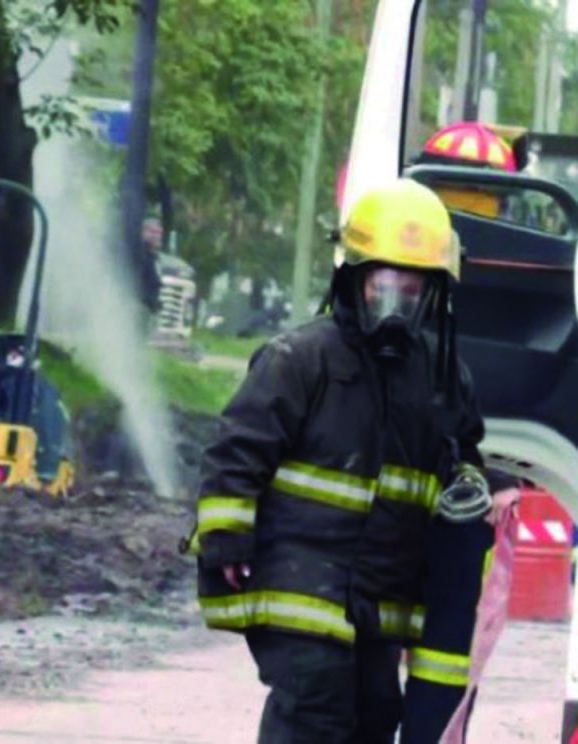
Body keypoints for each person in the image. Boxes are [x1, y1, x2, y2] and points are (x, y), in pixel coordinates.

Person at [191, 179, 492, 742]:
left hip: (378, 594)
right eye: (384, 284)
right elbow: (237, 449)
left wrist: (470, 488)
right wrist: (227, 535)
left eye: (411, 287)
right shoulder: (300, 359)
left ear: (433, 294)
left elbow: (464, 455)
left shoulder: (443, 376)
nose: (395, 303)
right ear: (353, 279)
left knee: (375, 715)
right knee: (314, 707)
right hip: (298, 581)